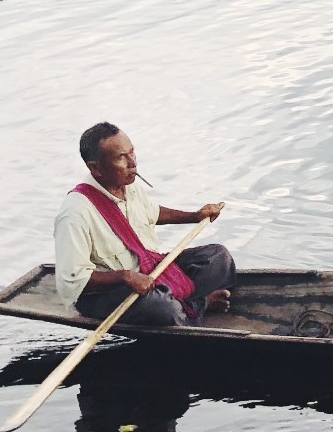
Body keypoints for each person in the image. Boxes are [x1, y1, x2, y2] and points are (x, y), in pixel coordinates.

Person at [55, 122, 233, 328]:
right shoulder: (75, 213)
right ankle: (196, 304)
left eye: (132, 153)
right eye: (121, 157)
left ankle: (188, 306)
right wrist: (126, 277)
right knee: (162, 310)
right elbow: (73, 280)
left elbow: (153, 213)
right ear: (95, 168)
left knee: (219, 258)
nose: (132, 163)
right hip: (107, 293)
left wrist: (195, 215)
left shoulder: (128, 186)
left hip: (149, 271)